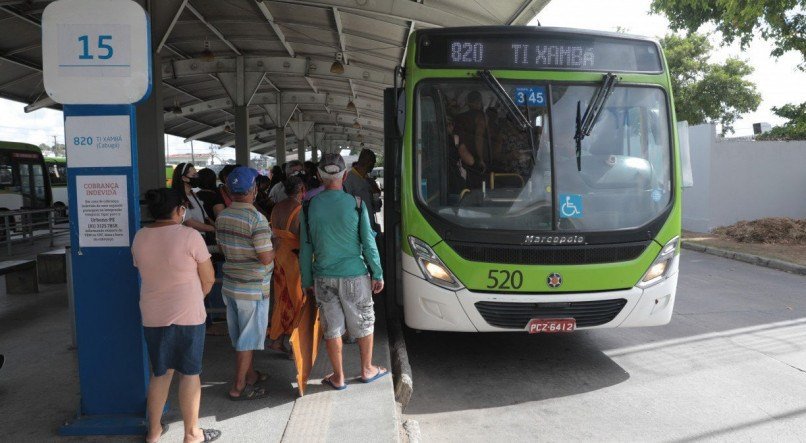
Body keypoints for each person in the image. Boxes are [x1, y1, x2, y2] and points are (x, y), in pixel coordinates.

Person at [131, 188, 220, 443]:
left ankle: (154, 431)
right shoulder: (190, 236)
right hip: (188, 316)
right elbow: (209, 277)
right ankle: (192, 434)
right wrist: (195, 298)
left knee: (161, 372)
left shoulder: (140, 237)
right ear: (179, 210)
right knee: (190, 373)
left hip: (153, 314)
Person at [299, 153, 386, 390]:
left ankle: (338, 377)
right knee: (364, 323)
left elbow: (306, 248)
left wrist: (307, 280)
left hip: (323, 277)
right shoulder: (356, 204)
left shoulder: (307, 207)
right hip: (355, 275)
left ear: (318, 176)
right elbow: (368, 243)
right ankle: (367, 369)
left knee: (333, 327)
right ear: (345, 175)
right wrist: (377, 273)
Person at [215, 167, 274, 401]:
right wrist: (276, 245)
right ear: (254, 190)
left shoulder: (223, 216)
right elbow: (266, 257)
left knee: (240, 337)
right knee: (247, 340)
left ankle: (251, 375)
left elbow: (221, 248)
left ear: (229, 190)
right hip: (253, 288)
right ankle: (238, 386)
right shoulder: (256, 219)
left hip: (231, 285)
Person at [268, 176, 307, 356]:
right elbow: (303, 239)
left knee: (281, 299)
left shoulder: (277, 207)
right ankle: (295, 346)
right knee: (297, 300)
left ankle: (277, 340)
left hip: (278, 257)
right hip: (293, 259)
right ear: (302, 190)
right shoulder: (299, 210)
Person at [172, 163, 216, 239]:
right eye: (194, 175)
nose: (197, 177)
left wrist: (218, 226)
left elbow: (206, 217)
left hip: (200, 237)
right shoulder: (178, 198)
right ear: (184, 178)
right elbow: (189, 222)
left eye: (197, 175)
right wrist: (213, 229)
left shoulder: (194, 195)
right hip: (189, 239)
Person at [343, 149, 380, 232]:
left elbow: (376, 207)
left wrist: (376, 196)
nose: (373, 166)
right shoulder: (349, 179)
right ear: (368, 163)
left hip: (369, 225)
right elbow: (346, 207)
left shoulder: (369, 181)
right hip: (357, 228)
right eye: (373, 163)